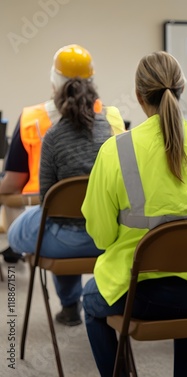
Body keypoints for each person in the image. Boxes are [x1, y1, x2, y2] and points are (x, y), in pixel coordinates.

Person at [81, 51, 187, 377]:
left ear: (139, 97)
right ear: (181, 90)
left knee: (90, 300)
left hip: (145, 297)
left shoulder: (117, 150)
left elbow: (100, 236)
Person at [7, 75, 120, 326]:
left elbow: (48, 199)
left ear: (58, 104)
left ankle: (70, 305)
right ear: (94, 100)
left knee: (20, 233)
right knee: (63, 218)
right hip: (108, 239)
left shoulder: (53, 136)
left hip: (65, 242)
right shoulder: (109, 131)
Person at [0, 44, 125, 263]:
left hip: (52, 219)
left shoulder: (39, 125)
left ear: (54, 81)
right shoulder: (111, 119)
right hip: (108, 231)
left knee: (25, 229)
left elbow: (46, 199)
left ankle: (68, 298)